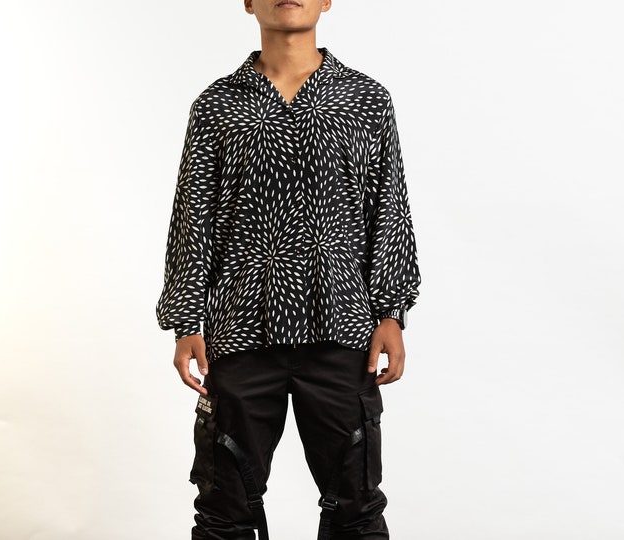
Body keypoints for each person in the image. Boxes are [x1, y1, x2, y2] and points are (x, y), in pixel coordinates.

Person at [156, 1, 421, 538]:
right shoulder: (217, 105)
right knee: (224, 510)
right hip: (241, 333)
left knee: (355, 509)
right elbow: (193, 216)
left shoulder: (365, 99)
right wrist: (186, 322)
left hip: (343, 330)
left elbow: (388, 207)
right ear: (247, 3)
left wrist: (391, 313)